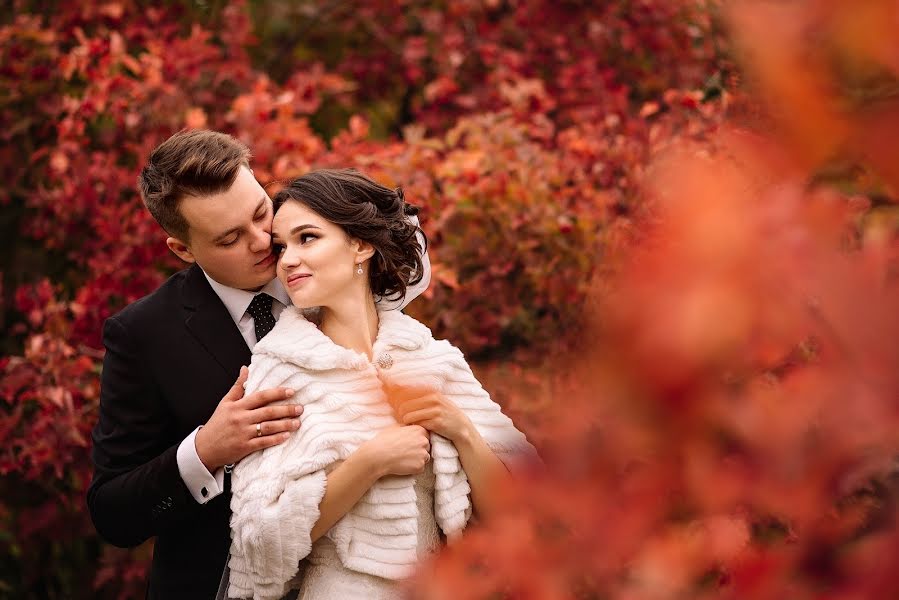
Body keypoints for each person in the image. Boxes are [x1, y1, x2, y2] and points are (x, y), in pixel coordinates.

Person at [86, 130, 431, 600]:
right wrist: (205, 450)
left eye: (260, 211)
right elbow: (113, 513)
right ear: (183, 250)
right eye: (229, 238)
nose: (262, 241)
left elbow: (402, 239)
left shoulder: (329, 262)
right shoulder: (142, 335)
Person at [225, 169, 538, 600]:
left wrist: (462, 430)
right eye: (281, 247)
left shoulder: (436, 361)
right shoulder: (278, 371)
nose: (287, 260)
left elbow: (526, 510)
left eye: (308, 238)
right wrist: (370, 462)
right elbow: (258, 544)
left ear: (361, 244)